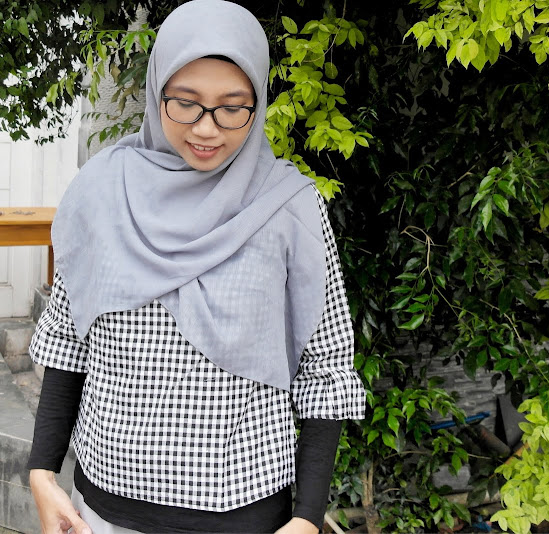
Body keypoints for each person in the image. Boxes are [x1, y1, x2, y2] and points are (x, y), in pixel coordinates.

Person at [26, 1, 366, 533]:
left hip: (246, 515)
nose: (207, 129)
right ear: (156, 90)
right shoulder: (100, 193)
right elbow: (69, 343)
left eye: (233, 107)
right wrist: (41, 472)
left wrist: (306, 518)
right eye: (185, 103)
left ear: (258, 103)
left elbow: (326, 367)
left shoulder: (288, 206)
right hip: (102, 513)